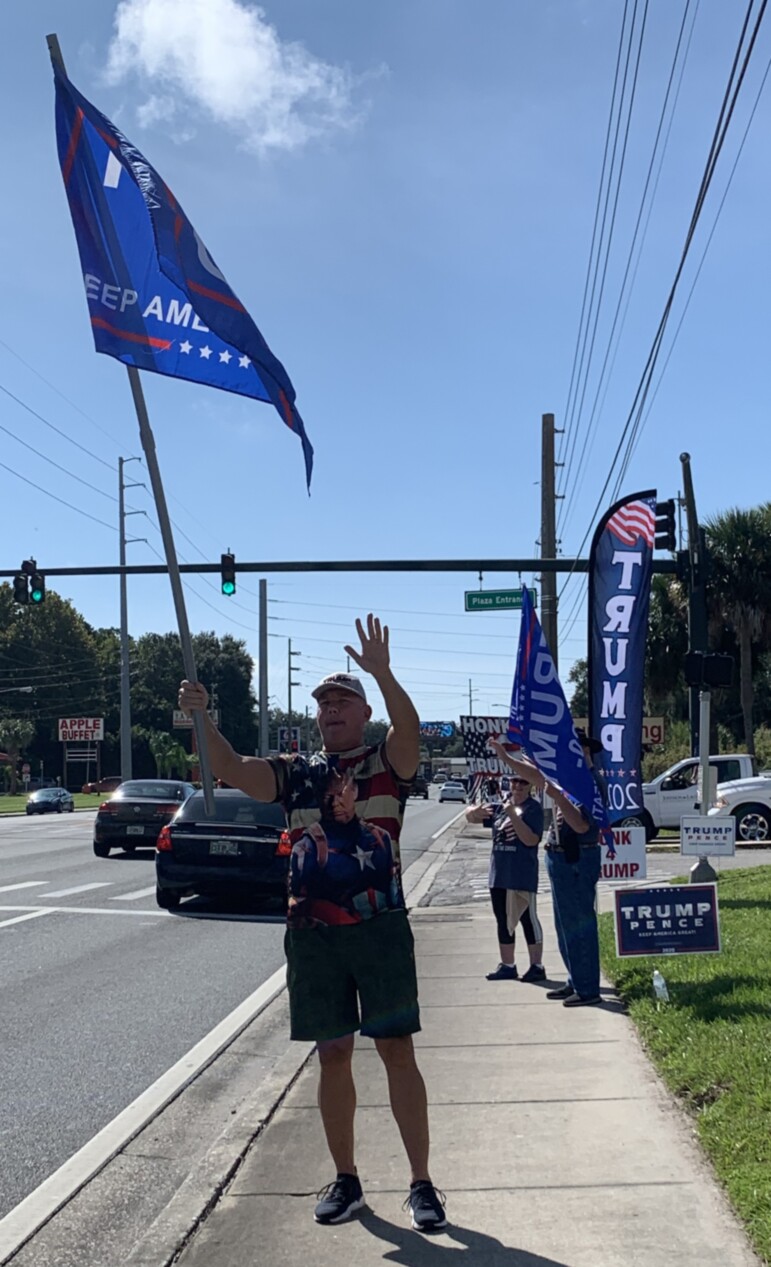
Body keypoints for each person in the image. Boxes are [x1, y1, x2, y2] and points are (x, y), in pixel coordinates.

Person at [178, 614, 446, 1232]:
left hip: (379, 930)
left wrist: (382, 674)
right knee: (332, 1056)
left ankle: (422, 1183)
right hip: (313, 936)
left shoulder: (386, 762)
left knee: (396, 1050)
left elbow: (408, 728)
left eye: (342, 702)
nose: (330, 712)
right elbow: (234, 768)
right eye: (323, 704)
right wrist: (202, 716)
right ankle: (347, 1179)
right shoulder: (296, 772)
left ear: (362, 713)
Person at [493, 728, 605, 1008]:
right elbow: (534, 775)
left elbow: (581, 825)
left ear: (585, 751)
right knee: (565, 924)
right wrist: (506, 758)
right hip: (561, 857)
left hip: (578, 857)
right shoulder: (568, 779)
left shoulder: (589, 783)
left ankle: (588, 988)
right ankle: (576, 980)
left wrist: (558, 796)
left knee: (580, 924)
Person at [465, 743, 545, 982]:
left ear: (530, 786)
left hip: (521, 875)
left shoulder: (533, 809)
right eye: (514, 782)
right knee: (503, 921)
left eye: (522, 782)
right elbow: (471, 817)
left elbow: (531, 840)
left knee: (527, 920)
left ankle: (537, 966)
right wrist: (473, 811)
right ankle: (508, 964)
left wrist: (512, 813)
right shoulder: (501, 807)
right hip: (499, 875)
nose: (517, 786)